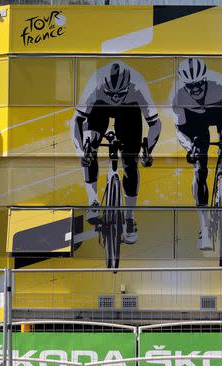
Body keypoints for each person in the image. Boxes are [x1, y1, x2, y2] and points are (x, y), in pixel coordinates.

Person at [71, 60, 161, 244]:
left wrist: (148, 150)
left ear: (128, 86)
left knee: (130, 162)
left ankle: (129, 218)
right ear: (104, 85)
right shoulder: (94, 85)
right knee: (90, 146)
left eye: (119, 93)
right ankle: (93, 201)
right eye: (111, 93)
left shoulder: (138, 86)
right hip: (100, 108)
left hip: (129, 112)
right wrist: (82, 152)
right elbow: (77, 122)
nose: (115, 97)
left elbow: (155, 124)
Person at [171, 57, 222, 250]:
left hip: (221, 113)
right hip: (195, 122)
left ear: (205, 80)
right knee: (200, 167)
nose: (196, 90)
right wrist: (189, 147)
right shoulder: (178, 99)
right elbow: (180, 131)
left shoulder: (220, 88)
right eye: (190, 86)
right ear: (185, 85)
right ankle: (204, 225)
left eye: (199, 85)